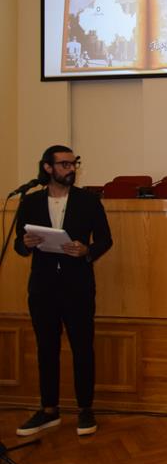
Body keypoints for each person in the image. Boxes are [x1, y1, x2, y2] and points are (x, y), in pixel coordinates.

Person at [14, 145, 113, 437]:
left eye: (73, 164)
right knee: (46, 347)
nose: (71, 169)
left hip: (77, 285)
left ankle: (85, 409)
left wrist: (86, 251)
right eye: (65, 164)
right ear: (48, 168)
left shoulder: (88, 201)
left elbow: (105, 240)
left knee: (82, 347)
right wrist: (25, 244)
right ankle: (49, 410)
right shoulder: (30, 201)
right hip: (43, 286)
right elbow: (19, 243)